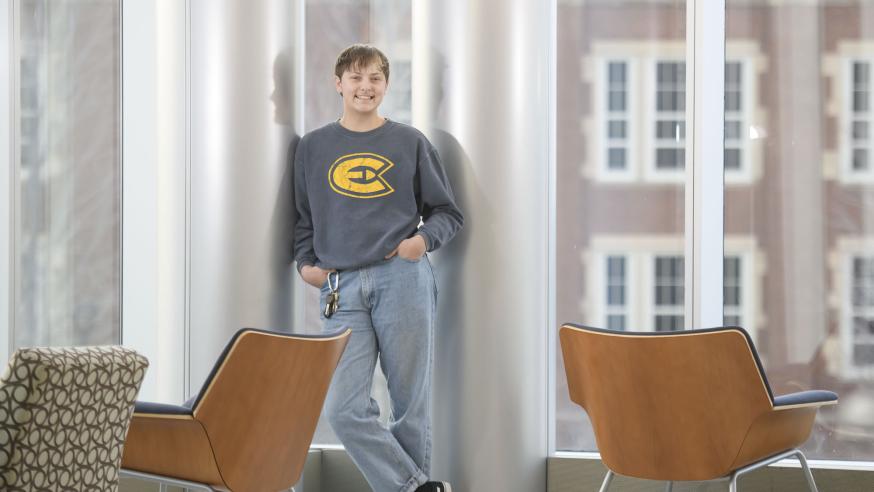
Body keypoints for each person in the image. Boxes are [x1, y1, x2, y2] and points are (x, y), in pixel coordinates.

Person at [293, 44, 463, 492]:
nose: (365, 87)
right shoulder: (313, 147)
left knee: (409, 405)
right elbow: (304, 220)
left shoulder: (409, 142)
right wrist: (306, 266)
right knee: (343, 409)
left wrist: (419, 243)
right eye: (355, 77)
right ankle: (416, 487)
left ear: (386, 85)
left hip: (402, 278)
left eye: (374, 78)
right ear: (338, 83)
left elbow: (448, 213)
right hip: (341, 288)